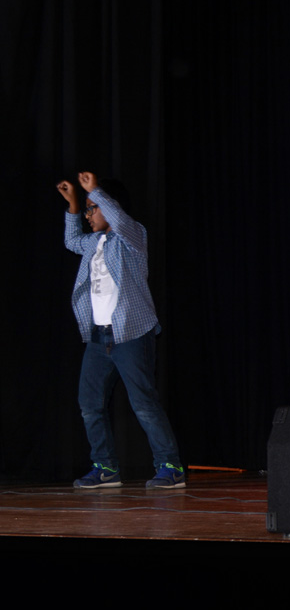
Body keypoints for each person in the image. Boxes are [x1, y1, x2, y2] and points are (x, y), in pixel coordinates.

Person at [60, 172, 185, 489]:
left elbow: (119, 220)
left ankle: (170, 466)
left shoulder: (133, 237)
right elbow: (71, 241)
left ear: (109, 205)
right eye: (87, 210)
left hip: (130, 334)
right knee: (89, 405)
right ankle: (105, 467)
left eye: (92, 209)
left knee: (143, 403)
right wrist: (73, 204)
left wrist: (96, 191)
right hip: (98, 337)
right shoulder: (94, 243)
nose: (88, 215)